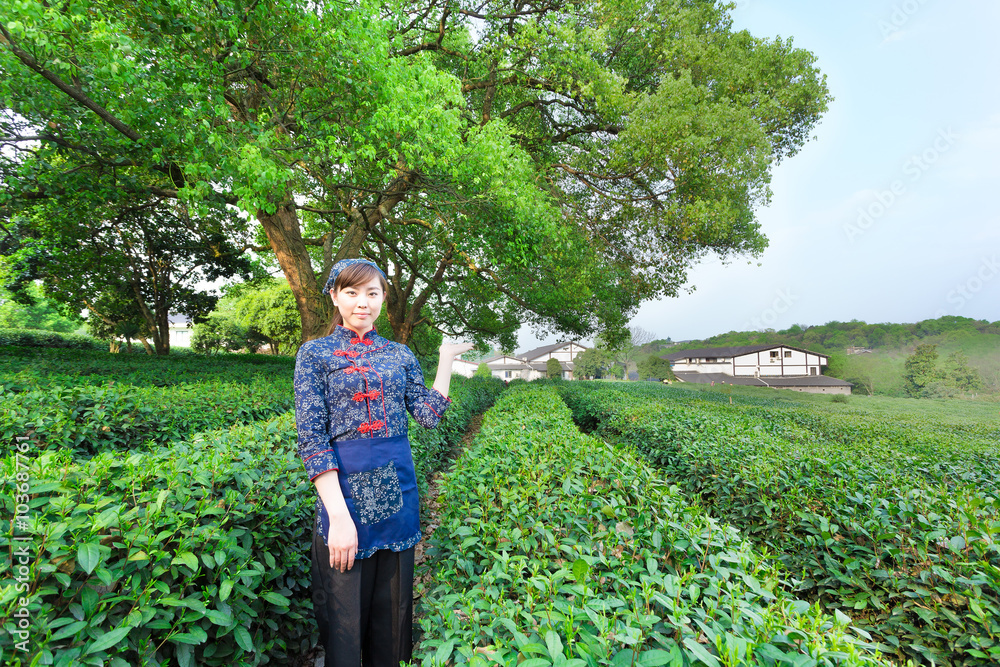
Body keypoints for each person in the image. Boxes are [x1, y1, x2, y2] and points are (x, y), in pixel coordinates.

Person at [293, 258, 473, 667]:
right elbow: (312, 438)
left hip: (397, 491)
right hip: (345, 498)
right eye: (352, 293)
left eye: (372, 293)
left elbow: (426, 414)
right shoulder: (315, 354)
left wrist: (445, 360)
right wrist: (338, 517)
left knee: (392, 615)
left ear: (383, 298)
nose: (362, 302)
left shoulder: (400, 354)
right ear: (335, 296)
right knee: (345, 617)